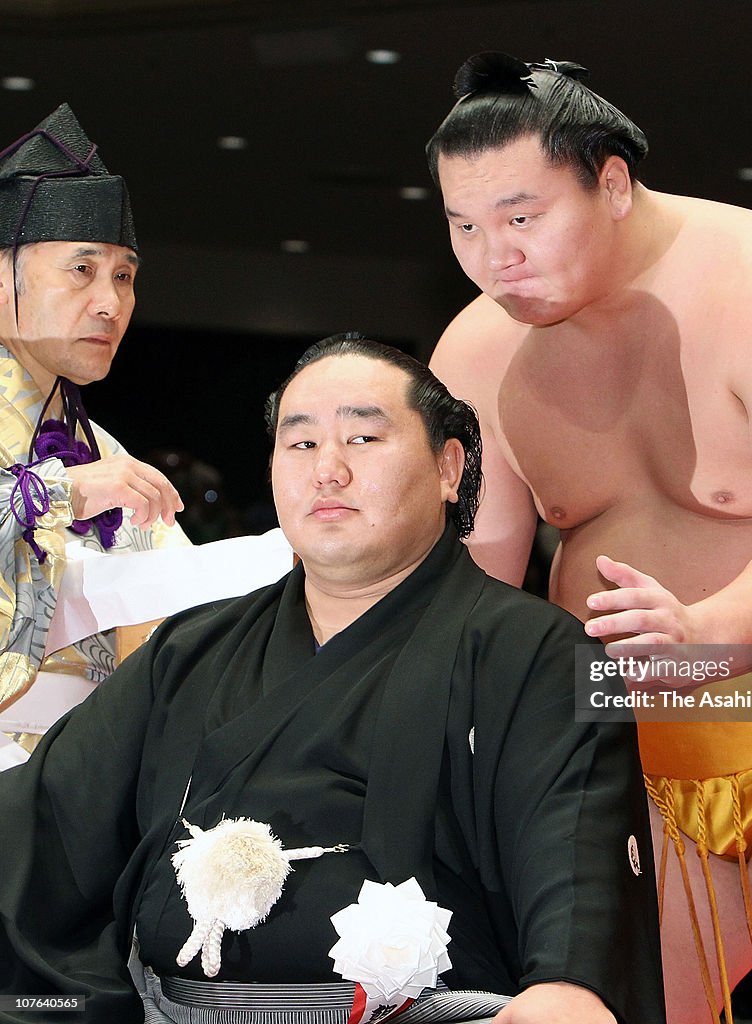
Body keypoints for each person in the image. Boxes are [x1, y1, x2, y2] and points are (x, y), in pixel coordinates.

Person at [427, 52, 752, 1023]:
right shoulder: (473, 352)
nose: (494, 257)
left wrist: (701, 636)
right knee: (611, 1010)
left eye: (522, 217)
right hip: (628, 729)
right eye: (465, 226)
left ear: (612, 184)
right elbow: (471, 591)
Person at [0, 334, 662, 1024]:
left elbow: (577, 859)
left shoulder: (538, 654)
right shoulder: (190, 651)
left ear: (448, 467)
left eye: (363, 439)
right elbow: (41, 828)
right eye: (301, 444)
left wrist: (569, 985)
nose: (327, 471)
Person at [0, 103, 186, 762]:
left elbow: (181, 604)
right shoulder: (92, 473)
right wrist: (54, 496)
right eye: (82, 270)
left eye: (124, 276)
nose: (111, 303)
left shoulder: (104, 454)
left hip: (77, 772)